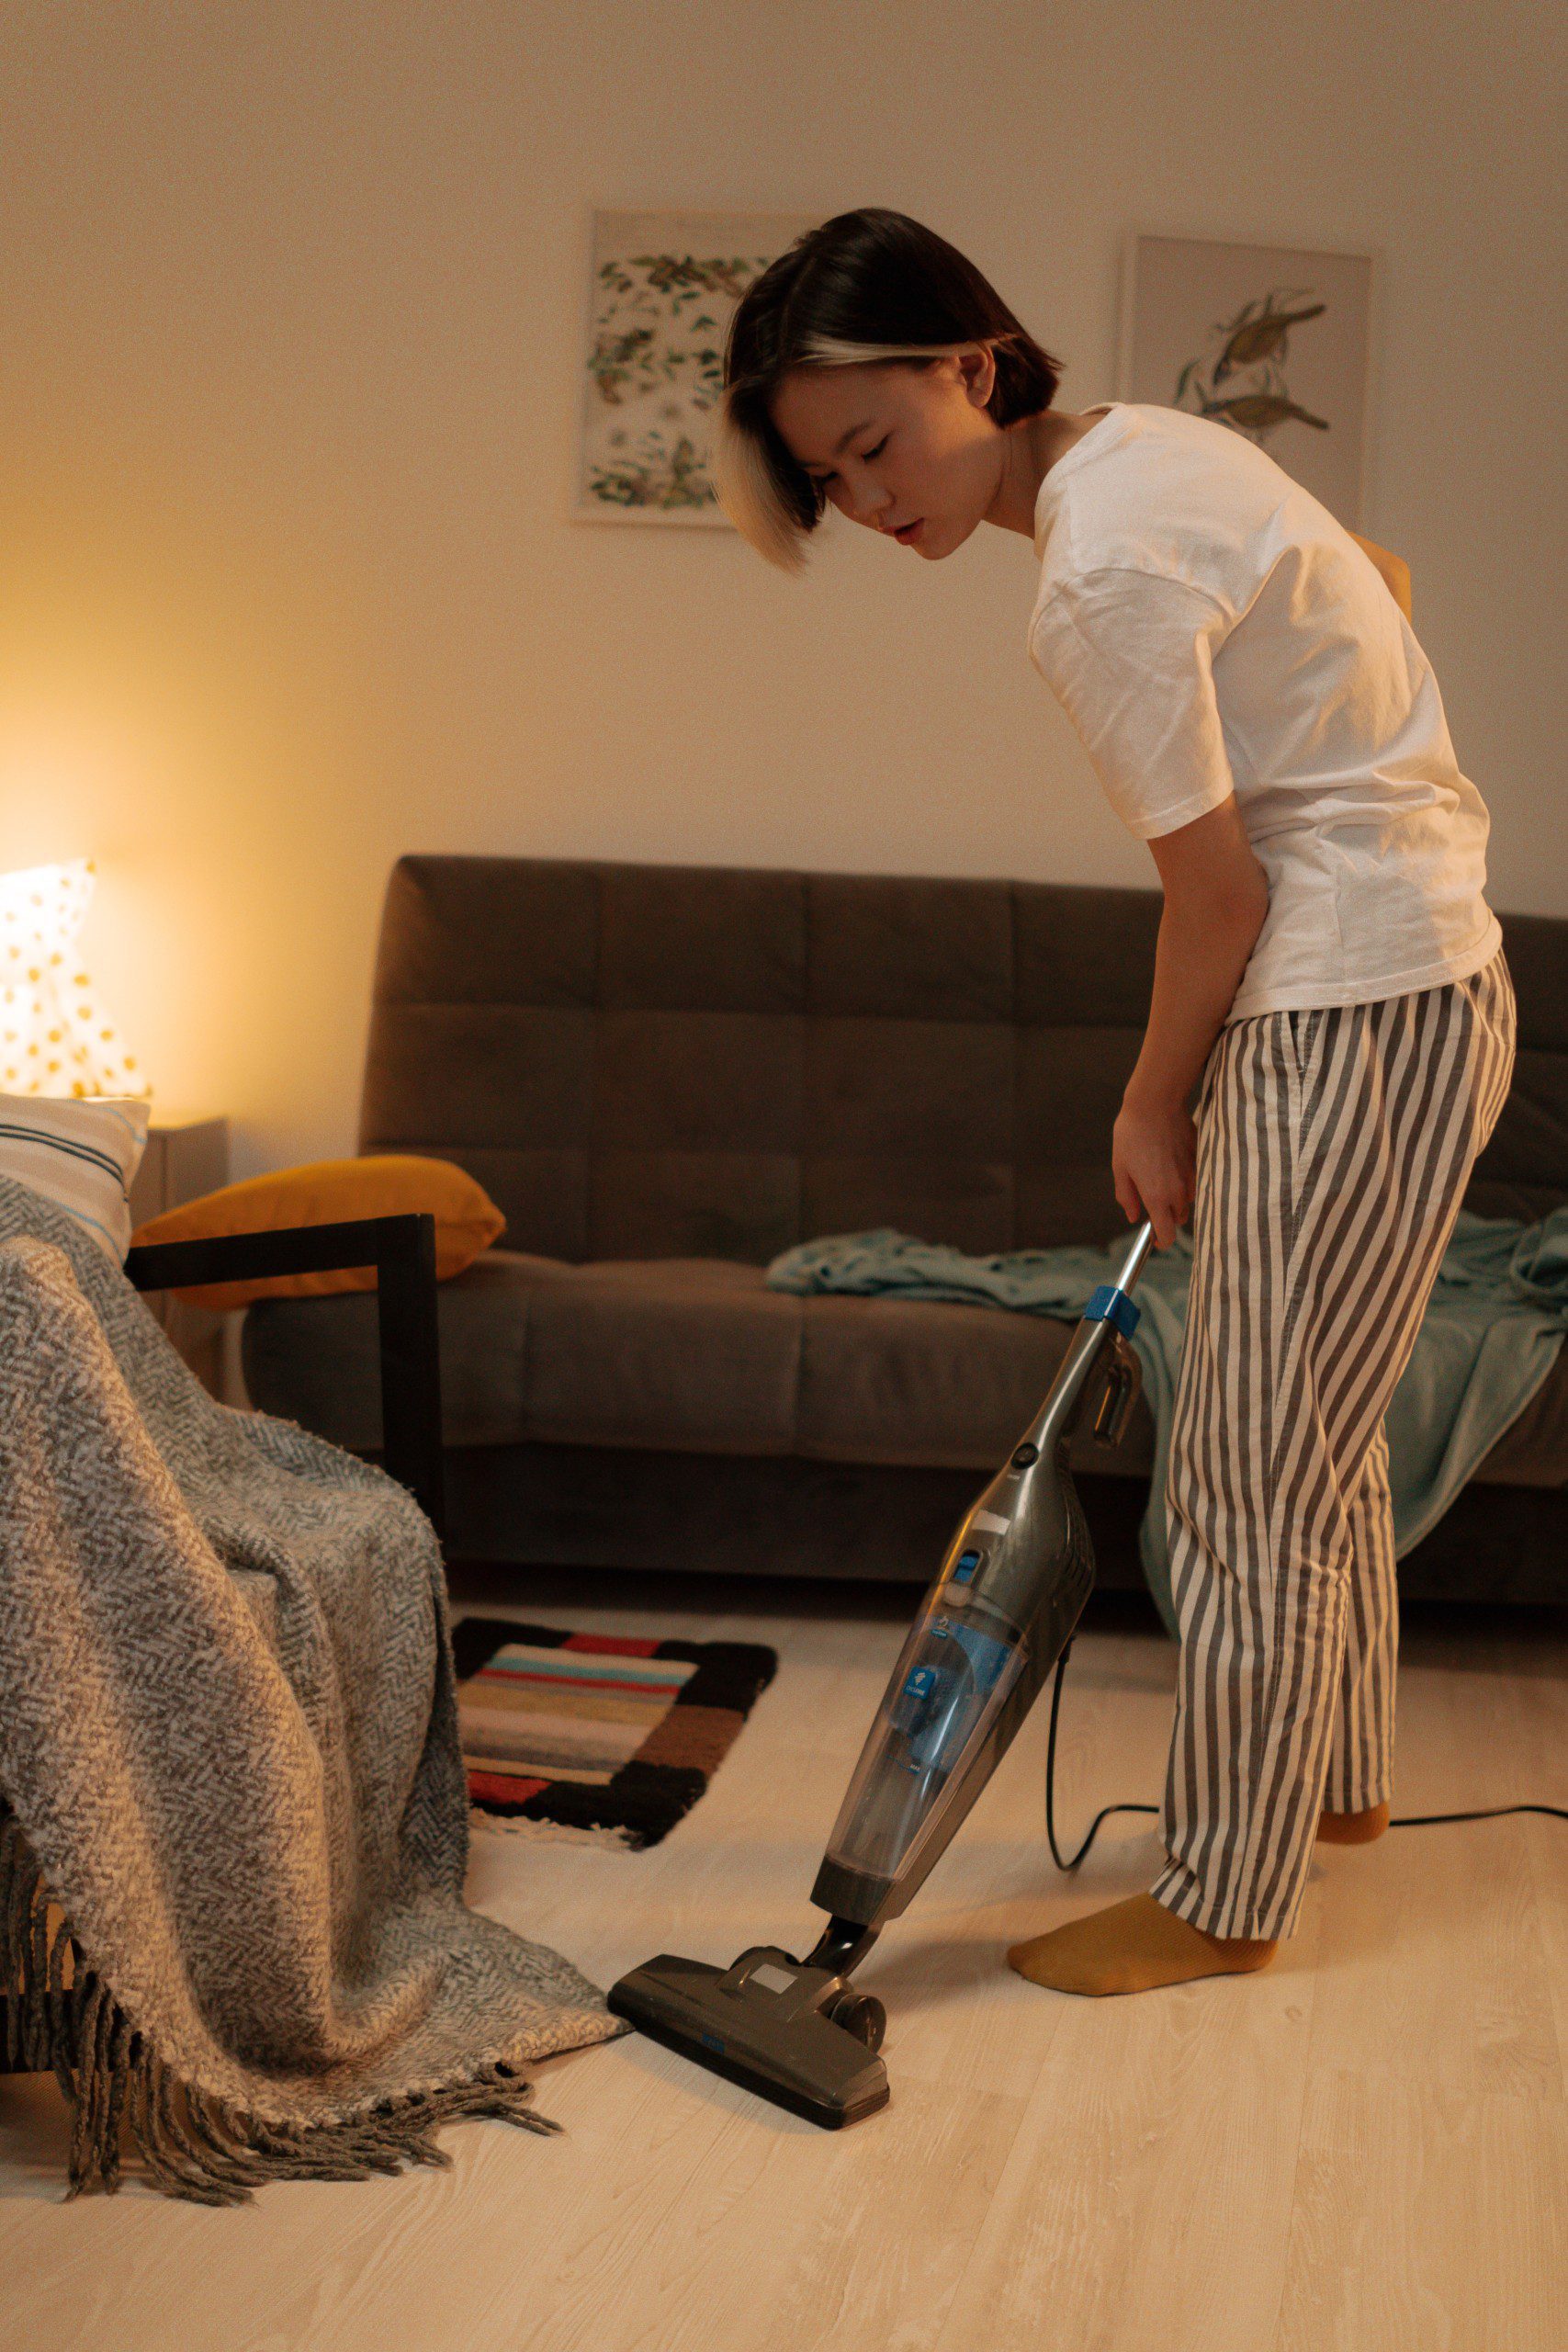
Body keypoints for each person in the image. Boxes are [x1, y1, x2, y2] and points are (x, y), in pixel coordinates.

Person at [711, 207, 1516, 1995]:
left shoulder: (1089, 575)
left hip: (1346, 1002)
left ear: (971, 365)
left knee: (1231, 1479)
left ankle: (1221, 1895)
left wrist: (1149, 1108)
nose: (864, 499)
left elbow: (1215, 895)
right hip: (1422, 973)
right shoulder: (1158, 452)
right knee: (1310, 1445)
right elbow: (1364, 572)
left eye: (875, 445)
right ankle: (1335, 1789)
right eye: (825, 478)